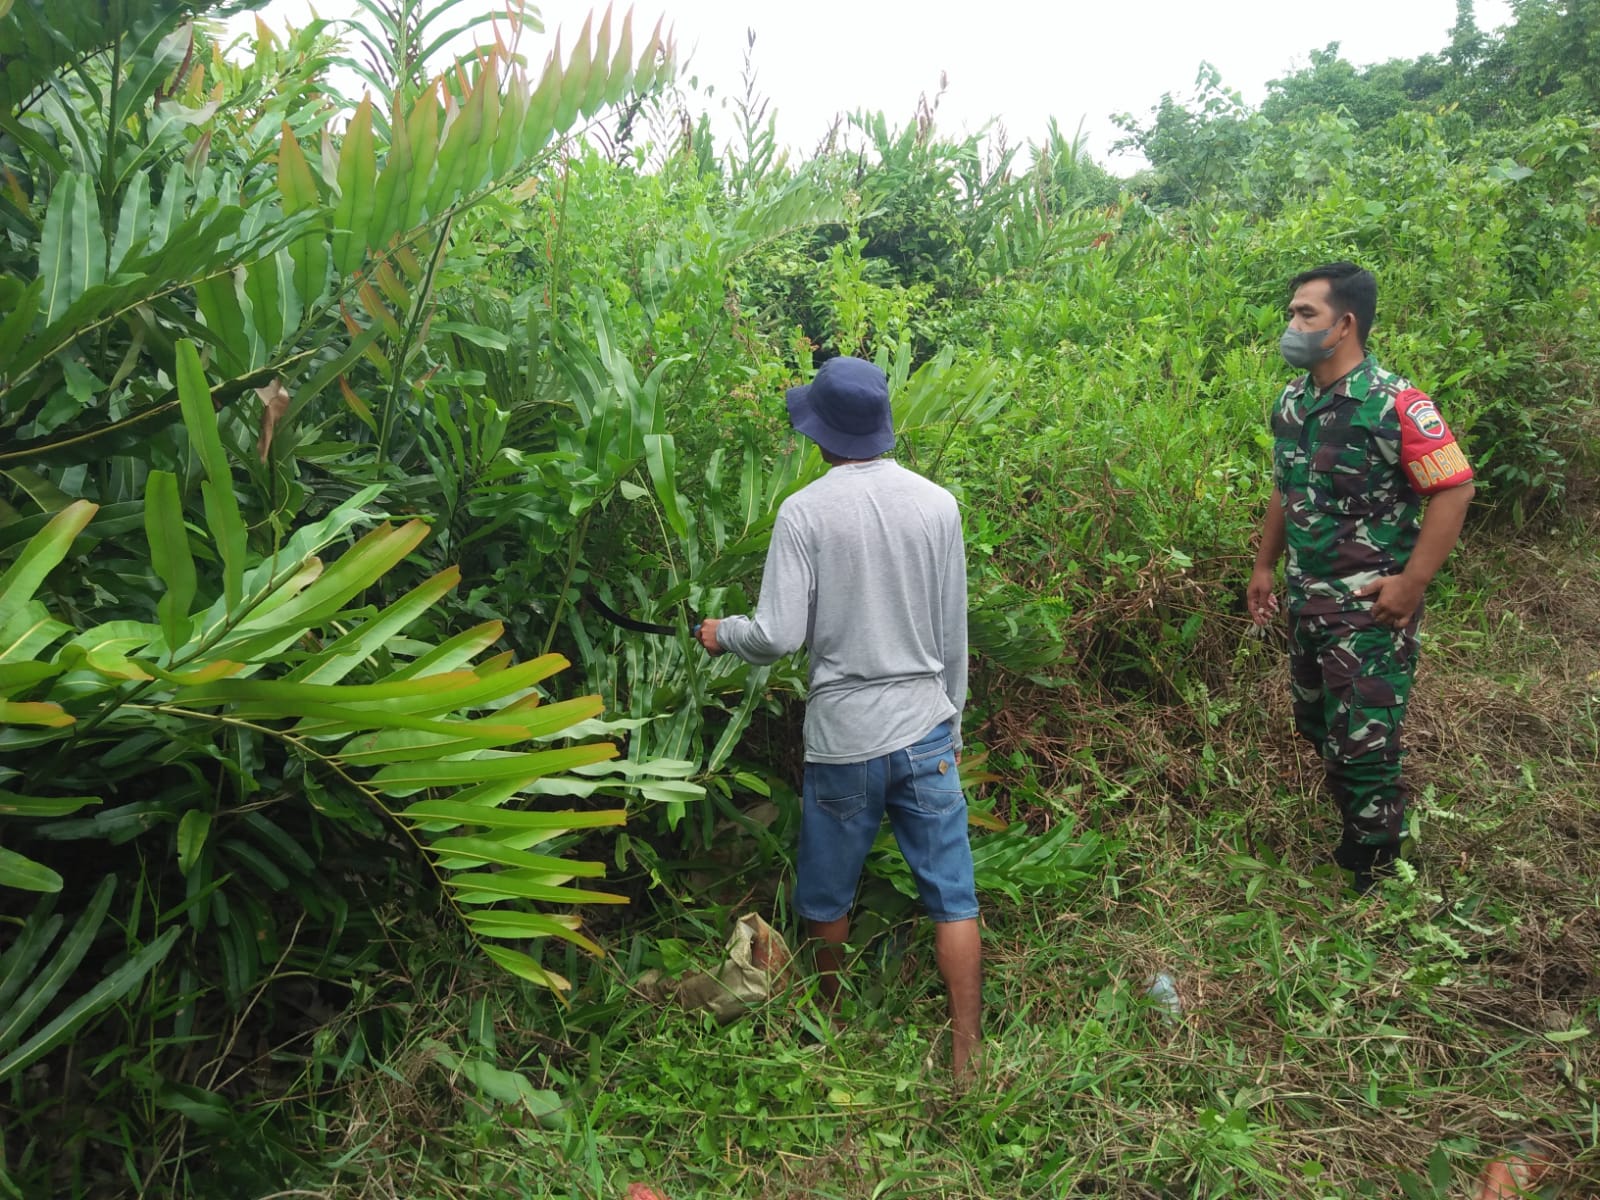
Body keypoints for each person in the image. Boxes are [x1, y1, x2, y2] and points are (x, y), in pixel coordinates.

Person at [694, 355, 981, 1078]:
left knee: (826, 891)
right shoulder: (937, 505)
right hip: (925, 729)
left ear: (819, 434)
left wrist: (721, 632)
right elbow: (953, 634)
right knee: (952, 897)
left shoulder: (805, 513)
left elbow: (778, 634)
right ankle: (967, 1054)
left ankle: (833, 1018)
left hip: (844, 739)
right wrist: (952, 719)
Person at [1248, 262, 1475, 892]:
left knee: (1365, 744)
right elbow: (1284, 485)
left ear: (1345, 324)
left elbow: (1453, 488)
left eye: (1306, 314)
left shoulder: (1397, 404)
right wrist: (1266, 565)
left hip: (1370, 608)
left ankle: (1376, 868)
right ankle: (1362, 827)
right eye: (1291, 314)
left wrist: (1412, 583)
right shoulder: (1293, 402)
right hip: (1308, 601)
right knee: (1317, 724)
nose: (1292, 326)